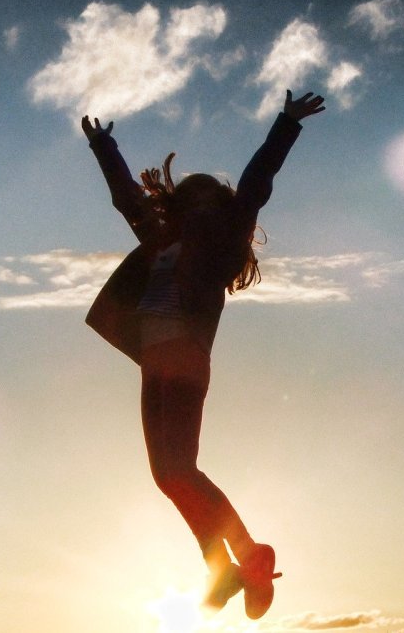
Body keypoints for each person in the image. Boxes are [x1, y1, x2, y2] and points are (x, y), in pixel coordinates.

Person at [80, 90, 326, 619]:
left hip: (186, 358)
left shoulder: (221, 239)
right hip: (154, 362)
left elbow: (256, 186)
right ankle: (234, 565)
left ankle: (240, 558)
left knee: (182, 469)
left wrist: (286, 123)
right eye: (188, 196)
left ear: (215, 204)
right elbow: (128, 200)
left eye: (204, 195)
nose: (195, 200)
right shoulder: (159, 237)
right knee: (168, 475)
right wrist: (104, 146)